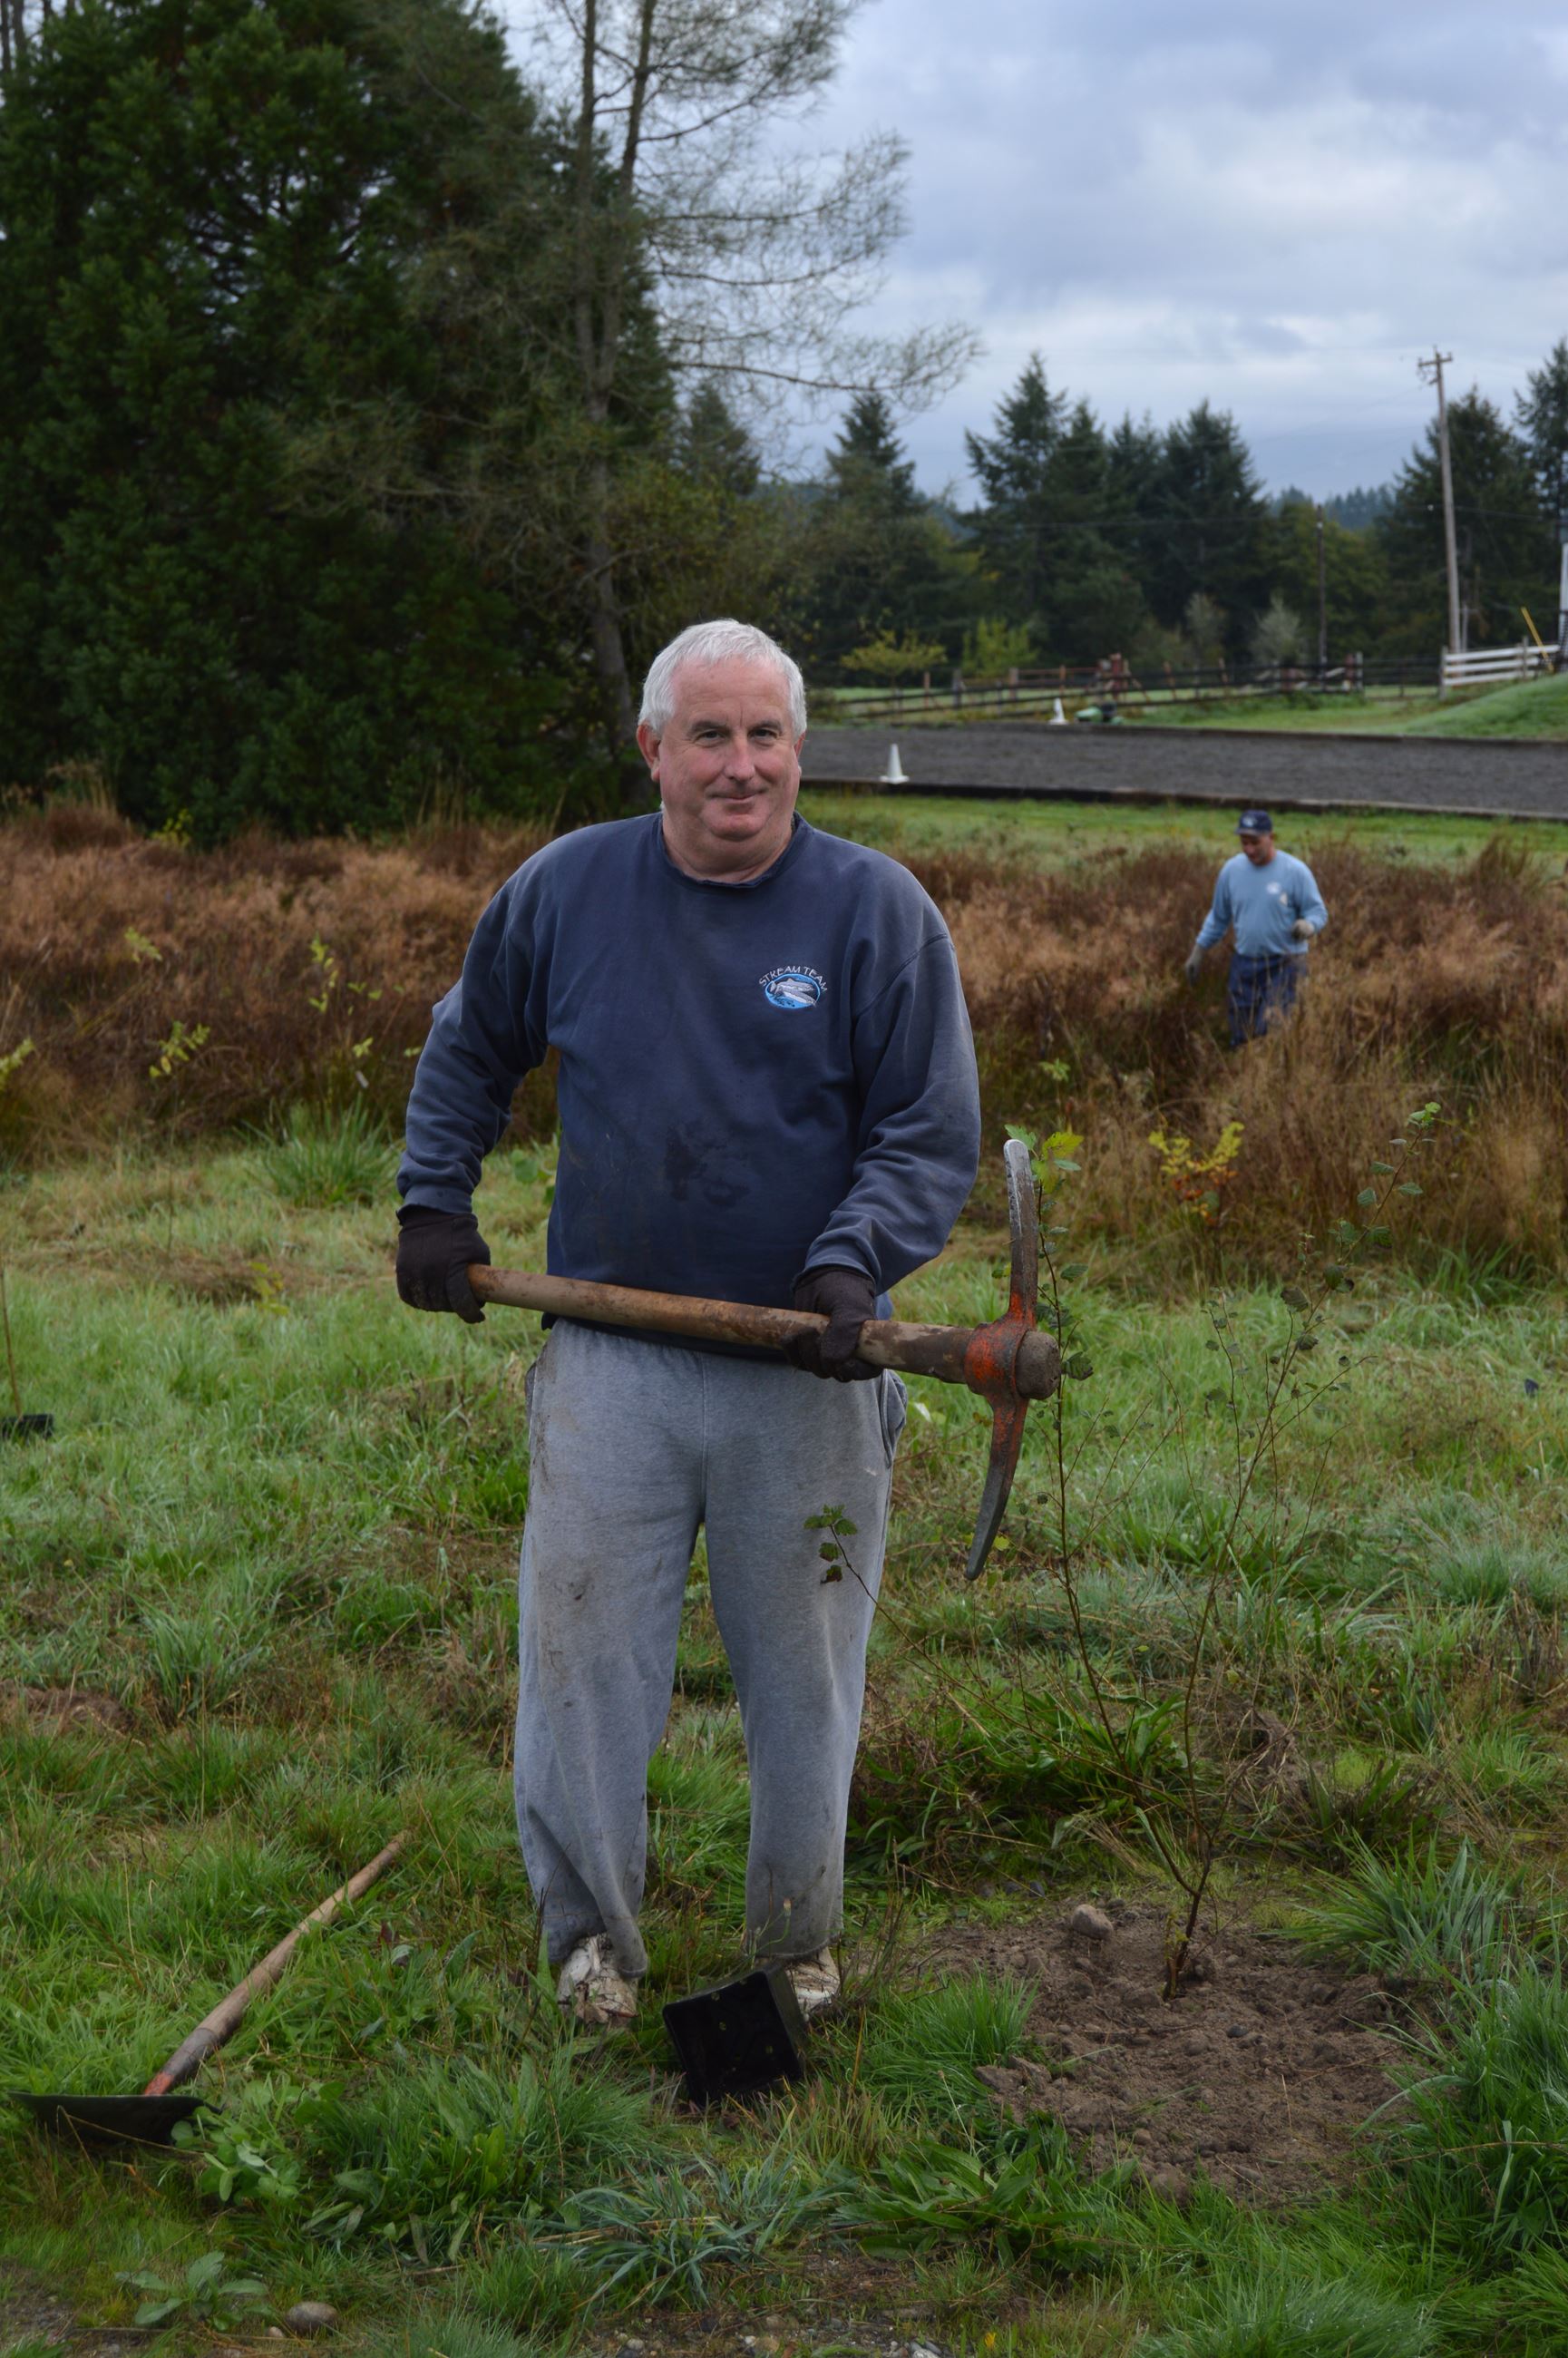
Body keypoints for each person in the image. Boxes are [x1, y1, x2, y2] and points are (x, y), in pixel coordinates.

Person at [394, 619, 981, 2029]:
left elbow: (926, 1128)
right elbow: (470, 1042)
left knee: (804, 1677)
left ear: (799, 748)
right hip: (612, 1361)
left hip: (805, 1371)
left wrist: (853, 1265)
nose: (740, 766)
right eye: (708, 735)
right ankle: (592, 1949)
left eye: (764, 735)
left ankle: (794, 1952)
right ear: (652, 748)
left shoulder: (875, 914)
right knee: (584, 1657)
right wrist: (434, 1201)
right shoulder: (568, 890)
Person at [1184, 808, 1327, 1047]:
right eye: (1244, 842)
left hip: (1286, 964)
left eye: (1255, 842)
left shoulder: (1295, 871)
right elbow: (1218, 918)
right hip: (1245, 964)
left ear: (1271, 837)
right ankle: (1243, 1078)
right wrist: (1198, 952)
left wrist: (1308, 925)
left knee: (1274, 1031)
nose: (1249, 849)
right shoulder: (1231, 871)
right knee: (1243, 1033)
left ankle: (1273, 1080)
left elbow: (1318, 912)